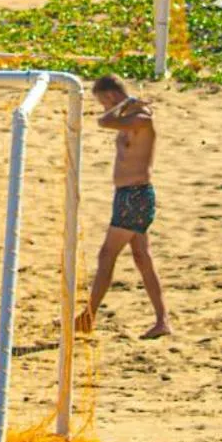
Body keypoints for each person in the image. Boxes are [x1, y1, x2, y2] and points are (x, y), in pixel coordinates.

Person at [76, 75, 169, 340]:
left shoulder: (141, 118)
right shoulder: (129, 116)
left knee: (107, 255)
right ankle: (163, 320)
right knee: (142, 257)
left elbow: (104, 121)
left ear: (111, 96)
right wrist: (123, 104)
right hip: (126, 195)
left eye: (103, 102)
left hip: (135, 196)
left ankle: (88, 316)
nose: (103, 107)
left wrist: (123, 104)